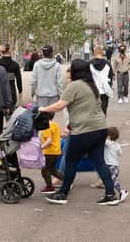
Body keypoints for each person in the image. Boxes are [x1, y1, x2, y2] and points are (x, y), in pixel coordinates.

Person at [39, 59, 119, 206]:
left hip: (84, 132)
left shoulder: (74, 85)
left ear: (75, 71)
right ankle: (110, 193)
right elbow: (86, 109)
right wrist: (70, 125)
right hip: (100, 129)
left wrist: (42, 109)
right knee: (100, 162)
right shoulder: (92, 85)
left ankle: (63, 193)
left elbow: (60, 105)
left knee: (70, 161)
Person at [39, 112, 64, 194]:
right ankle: (67, 180)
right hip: (56, 151)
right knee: (52, 170)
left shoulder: (46, 126)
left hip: (49, 152)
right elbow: (60, 135)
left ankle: (49, 187)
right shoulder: (55, 124)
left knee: (45, 170)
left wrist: (40, 148)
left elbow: (49, 141)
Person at [104, 127, 128, 202]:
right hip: (115, 166)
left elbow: (102, 141)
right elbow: (120, 153)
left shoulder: (107, 143)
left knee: (111, 181)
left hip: (109, 165)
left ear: (109, 136)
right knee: (109, 180)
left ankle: (122, 191)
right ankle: (109, 193)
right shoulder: (117, 145)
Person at [90, 45, 114, 115]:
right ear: (102, 52)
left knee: (93, 112)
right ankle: (102, 124)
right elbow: (111, 77)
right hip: (104, 91)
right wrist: (109, 85)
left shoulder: (89, 64)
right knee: (103, 111)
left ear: (94, 52)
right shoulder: (108, 64)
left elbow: (87, 78)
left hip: (93, 91)